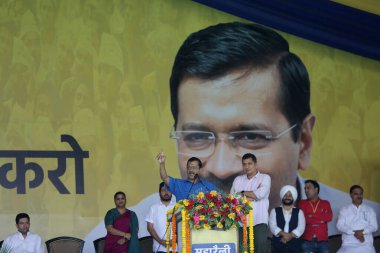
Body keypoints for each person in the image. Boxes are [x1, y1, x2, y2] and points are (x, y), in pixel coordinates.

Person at [230, 153, 271, 253]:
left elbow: (260, 194)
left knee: (259, 250)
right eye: (244, 164)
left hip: (259, 222)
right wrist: (251, 195)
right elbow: (232, 199)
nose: (247, 167)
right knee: (241, 250)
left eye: (249, 163)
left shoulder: (265, 178)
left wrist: (242, 193)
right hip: (241, 223)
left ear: (255, 164)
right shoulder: (238, 180)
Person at [336, 185, 378, 253]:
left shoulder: (370, 210)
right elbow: (339, 226)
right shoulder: (344, 210)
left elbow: (374, 226)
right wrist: (354, 232)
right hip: (348, 244)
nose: (359, 196)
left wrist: (362, 232)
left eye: (360, 194)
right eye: (356, 194)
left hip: (366, 243)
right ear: (351, 195)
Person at [298, 180, 332, 253]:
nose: (306, 190)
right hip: (307, 242)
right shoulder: (302, 203)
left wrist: (311, 216)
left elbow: (329, 217)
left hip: (323, 242)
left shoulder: (325, 203)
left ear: (316, 189)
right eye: (305, 188)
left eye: (308, 188)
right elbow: (303, 220)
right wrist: (321, 219)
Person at [269, 185, 306, 253]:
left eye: (290, 195)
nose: (287, 197)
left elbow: (301, 227)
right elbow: (272, 226)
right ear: (282, 196)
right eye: (285, 195)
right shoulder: (274, 211)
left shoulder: (299, 212)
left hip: (295, 246)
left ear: (293, 197)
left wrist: (290, 236)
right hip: (277, 245)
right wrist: (284, 234)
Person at [145, 182, 176, 253]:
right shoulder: (153, 208)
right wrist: (161, 242)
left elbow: (182, 226)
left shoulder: (177, 207)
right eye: (163, 190)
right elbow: (150, 227)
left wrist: (175, 240)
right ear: (159, 193)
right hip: (159, 248)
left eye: (168, 190)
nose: (166, 192)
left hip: (176, 248)